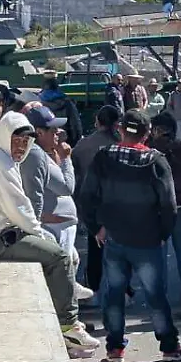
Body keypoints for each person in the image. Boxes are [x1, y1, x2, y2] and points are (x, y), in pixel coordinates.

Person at [0, 111, 100, 357]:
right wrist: (40, 234)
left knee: (51, 247)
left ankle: (65, 296)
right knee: (59, 256)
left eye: (26, 141)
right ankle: (70, 325)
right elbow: (20, 209)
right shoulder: (0, 165)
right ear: (4, 137)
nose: (21, 147)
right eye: (17, 140)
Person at [81, 110, 181, 362]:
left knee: (114, 294)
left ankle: (115, 348)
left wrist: (96, 227)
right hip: (148, 239)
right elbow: (169, 204)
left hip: (114, 237)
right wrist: (163, 233)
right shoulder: (156, 161)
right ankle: (169, 347)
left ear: (120, 130)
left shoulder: (104, 157)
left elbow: (86, 196)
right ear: (148, 134)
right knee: (155, 295)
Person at [20, 105, 92, 301]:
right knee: (61, 277)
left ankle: (70, 311)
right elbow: (66, 187)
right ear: (39, 132)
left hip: (59, 224)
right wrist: (67, 159)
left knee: (72, 262)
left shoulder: (41, 152)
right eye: (53, 130)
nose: (59, 134)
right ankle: (69, 322)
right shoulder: (35, 154)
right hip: (54, 227)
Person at [148, 112, 181, 308]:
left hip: (158, 209)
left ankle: (160, 292)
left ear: (157, 130)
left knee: (159, 251)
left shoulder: (150, 151)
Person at [71, 105, 121, 298]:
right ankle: (123, 290)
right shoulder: (122, 144)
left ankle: (94, 289)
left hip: (92, 203)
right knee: (120, 249)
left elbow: (73, 175)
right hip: (118, 204)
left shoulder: (83, 146)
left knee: (95, 247)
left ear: (97, 122)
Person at [39, 77, 84, 147]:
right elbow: (76, 126)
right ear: (57, 88)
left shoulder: (37, 103)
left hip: (44, 144)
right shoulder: (67, 103)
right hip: (65, 144)